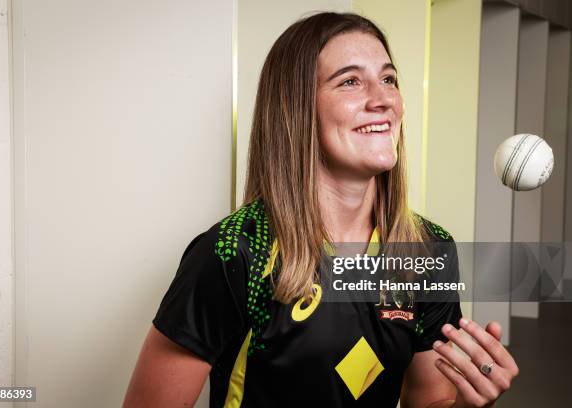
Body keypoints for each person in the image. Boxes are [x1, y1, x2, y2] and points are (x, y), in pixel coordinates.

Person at [123, 12, 519, 408]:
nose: (382, 100)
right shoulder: (235, 251)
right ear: (296, 108)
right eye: (350, 81)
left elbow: (429, 401)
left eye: (388, 79)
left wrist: (468, 405)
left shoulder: (427, 248)